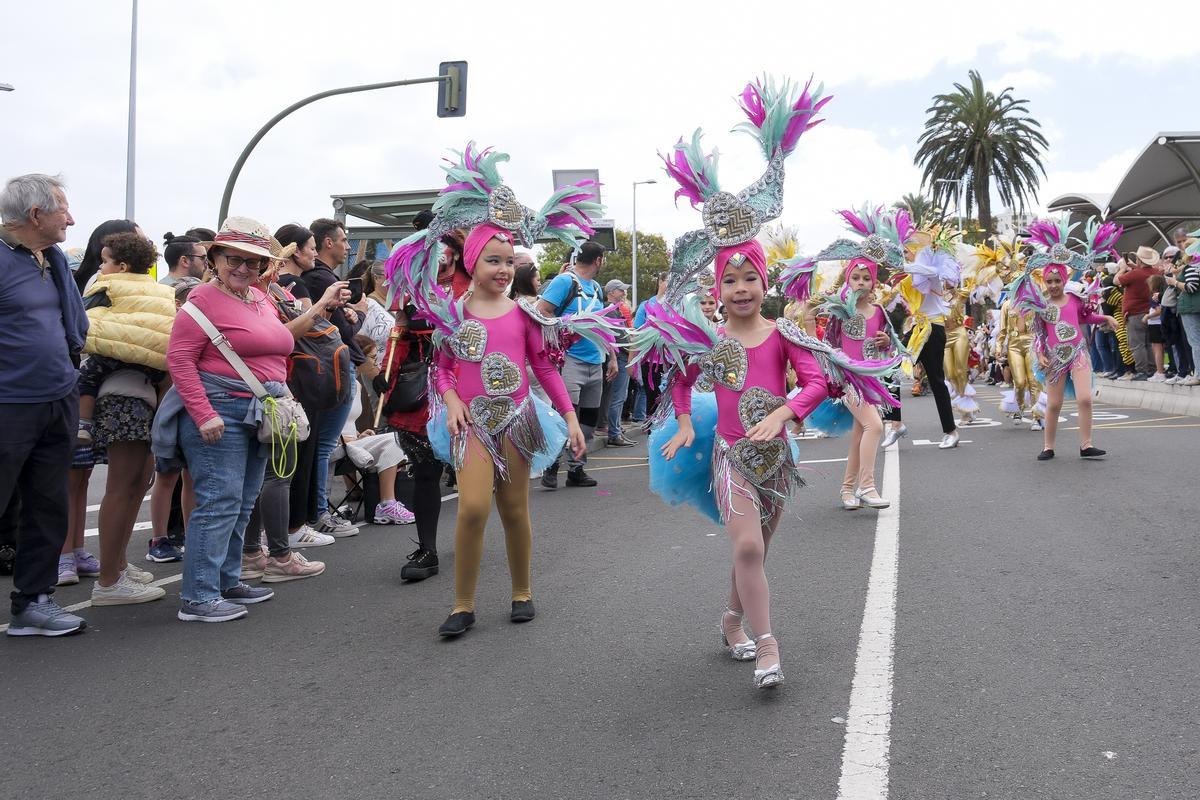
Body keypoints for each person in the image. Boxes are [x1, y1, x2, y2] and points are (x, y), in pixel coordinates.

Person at [641, 77, 891, 689]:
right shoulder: (709, 339)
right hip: (730, 456)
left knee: (753, 550)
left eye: (751, 277)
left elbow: (814, 384)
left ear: (764, 280)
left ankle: (732, 619)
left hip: (775, 458)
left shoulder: (784, 333)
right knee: (748, 549)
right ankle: (768, 646)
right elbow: (680, 379)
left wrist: (784, 414)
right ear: (718, 288)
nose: (743, 289)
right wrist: (679, 422)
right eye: (732, 280)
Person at [383, 142, 603, 636]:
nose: (503, 270)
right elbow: (442, 369)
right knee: (474, 507)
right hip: (471, 423)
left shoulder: (524, 315)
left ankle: (522, 591)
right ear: (474, 262)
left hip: (519, 419)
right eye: (493, 261)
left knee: (513, 507)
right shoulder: (452, 313)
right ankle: (463, 603)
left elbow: (545, 371)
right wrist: (454, 398)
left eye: (509, 261)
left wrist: (569, 417)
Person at [156, 217, 296, 622]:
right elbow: (179, 360)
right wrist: (203, 415)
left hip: (257, 410)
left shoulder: (258, 298)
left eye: (253, 263)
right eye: (234, 259)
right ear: (215, 258)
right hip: (221, 410)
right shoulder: (201, 300)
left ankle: (226, 580)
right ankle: (199, 596)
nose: (243, 268)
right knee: (219, 502)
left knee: (242, 500)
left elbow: (275, 351)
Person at [0, 174, 90, 636]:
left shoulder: (51, 258)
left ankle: (34, 602)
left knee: (47, 505)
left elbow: (71, 325)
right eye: (62, 211)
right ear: (35, 215)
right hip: (9, 405)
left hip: (58, 397)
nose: (70, 219)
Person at [79, 231, 176, 607]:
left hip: (124, 394)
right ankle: (108, 580)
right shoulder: (160, 295)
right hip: (138, 395)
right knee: (126, 485)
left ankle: (116, 565)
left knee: (136, 483)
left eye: (104, 261)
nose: (100, 267)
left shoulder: (108, 290)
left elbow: (89, 332)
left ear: (120, 265)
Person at [238, 239, 340, 584]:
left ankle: (253, 553)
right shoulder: (253, 297)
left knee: (259, 476)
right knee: (274, 475)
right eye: (268, 264)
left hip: (267, 389)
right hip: (263, 391)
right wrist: (320, 306)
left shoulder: (257, 296)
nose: (271, 271)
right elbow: (285, 337)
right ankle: (278, 555)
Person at [1012, 219, 1120, 461]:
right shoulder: (1041, 305)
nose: (1053, 285)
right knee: (1053, 404)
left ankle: (1086, 444)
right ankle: (1048, 447)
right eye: (1049, 281)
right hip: (1054, 357)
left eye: (1057, 281)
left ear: (1064, 280)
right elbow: (1039, 333)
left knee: (1085, 398)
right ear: (1044, 282)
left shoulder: (1075, 298)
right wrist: (1040, 354)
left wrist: (1105, 317)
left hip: (1078, 352)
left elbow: (1087, 316)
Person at [804, 254, 904, 510]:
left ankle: (847, 489)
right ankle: (867, 486)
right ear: (848, 280)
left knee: (861, 435)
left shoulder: (880, 312)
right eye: (855, 277)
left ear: (873, 283)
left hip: (871, 380)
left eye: (866, 278)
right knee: (875, 426)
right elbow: (827, 344)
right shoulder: (840, 310)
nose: (861, 282)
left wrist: (885, 342)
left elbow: (889, 342)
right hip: (846, 380)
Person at [303, 218, 364, 536]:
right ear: (328, 243)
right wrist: (361, 313)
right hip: (332, 366)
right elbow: (338, 331)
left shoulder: (318, 279)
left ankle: (316, 511)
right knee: (322, 444)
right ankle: (317, 512)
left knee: (322, 443)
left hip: (332, 365)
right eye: (343, 240)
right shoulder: (320, 280)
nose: (348, 246)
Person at [537, 241, 613, 488]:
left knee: (589, 421)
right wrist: (567, 326)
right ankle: (552, 465)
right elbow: (542, 310)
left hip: (595, 361)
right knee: (565, 416)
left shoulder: (597, 288)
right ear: (599, 260)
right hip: (571, 360)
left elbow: (603, 326)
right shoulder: (565, 282)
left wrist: (611, 356)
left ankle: (577, 469)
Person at [895, 233, 962, 448]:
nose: (904, 255)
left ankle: (951, 431)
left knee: (936, 380)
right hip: (916, 328)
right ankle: (896, 424)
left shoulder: (930, 272)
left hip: (933, 328)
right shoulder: (908, 279)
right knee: (891, 371)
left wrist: (907, 266)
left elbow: (931, 272)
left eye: (906, 251)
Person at [601, 278, 637, 447]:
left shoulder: (615, 311)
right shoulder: (610, 311)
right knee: (618, 397)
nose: (623, 293)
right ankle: (614, 433)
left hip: (621, 357)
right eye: (620, 290)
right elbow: (618, 339)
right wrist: (632, 348)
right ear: (611, 292)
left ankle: (615, 429)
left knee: (618, 396)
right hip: (620, 357)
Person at [1115, 246, 1159, 380]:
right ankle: (1152, 369)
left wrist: (1122, 268)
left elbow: (1116, 281)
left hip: (1135, 313)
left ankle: (1142, 371)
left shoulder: (1135, 274)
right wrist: (1135, 266)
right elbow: (1143, 273)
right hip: (1151, 312)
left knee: (1137, 344)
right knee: (1149, 343)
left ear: (1139, 259)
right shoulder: (1156, 272)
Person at [1159, 246, 1193, 383]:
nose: (1168, 259)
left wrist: (1174, 274)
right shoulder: (1167, 271)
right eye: (1166, 257)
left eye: (1171, 257)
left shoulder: (1185, 268)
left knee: (1187, 342)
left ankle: (1190, 371)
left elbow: (1185, 286)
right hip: (1172, 310)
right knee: (1176, 341)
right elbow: (1167, 291)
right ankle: (1182, 371)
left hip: (1183, 309)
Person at [1174, 235, 1200, 385]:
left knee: (1195, 342)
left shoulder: (1192, 267)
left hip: (1190, 308)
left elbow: (1191, 287)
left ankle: (1198, 374)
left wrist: (1175, 282)